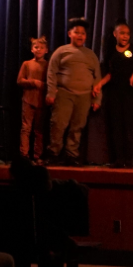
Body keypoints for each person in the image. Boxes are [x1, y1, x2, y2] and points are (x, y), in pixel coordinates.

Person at [46, 17, 102, 166]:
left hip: (84, 96)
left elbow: (97, 78)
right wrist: (51, 92)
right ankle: (54, 153)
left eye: (83, 33)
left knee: (78, 126)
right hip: (64, 94)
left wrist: (97, 99)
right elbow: (51, 72)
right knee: (58, 124)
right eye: (77, 32)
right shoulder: (61, 51)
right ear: (69, 33)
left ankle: (71, 155)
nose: (80, 36)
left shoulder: (91, 55)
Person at [92, 19, 133, 168]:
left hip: (131, 94)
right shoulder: (111, 52)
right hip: (115, 93)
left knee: (129, 126)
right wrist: (99, 84)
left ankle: (129, 160)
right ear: (115, 34)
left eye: (128, 33)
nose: (125, 36)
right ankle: (119, 159)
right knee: (116, 126)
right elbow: (111, 74)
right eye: (122, 33)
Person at [17, 36, 49, 161]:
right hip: (28, 100)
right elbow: (19, 81)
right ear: (32, 49)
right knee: (25, 128)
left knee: (39, 130)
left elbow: (51, 83)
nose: (38, 50)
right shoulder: (27, 64)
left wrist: (43, 85)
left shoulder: (48, 65)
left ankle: (37, 155)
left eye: (41, 48)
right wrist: (34, 82)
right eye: (36, 47)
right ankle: (24, 154)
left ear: (46, 50)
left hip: (41, 101)